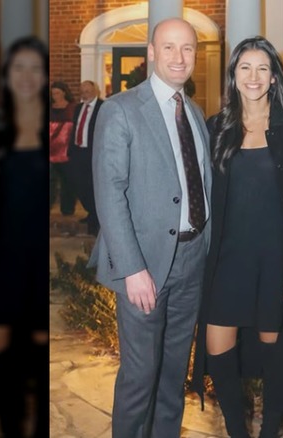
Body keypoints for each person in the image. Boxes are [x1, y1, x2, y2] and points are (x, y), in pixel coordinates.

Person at [190, 36, 283, 438]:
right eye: (245, 68)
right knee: (219, 352)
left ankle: (269, 431)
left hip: (277, 262)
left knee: (276, 357)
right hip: (226, 260)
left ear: (273, 78)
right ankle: (237, 430)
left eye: (262, 69)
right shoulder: (216, 128)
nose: (253, 77)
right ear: (233, 76)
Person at [88, 17, 211, 438]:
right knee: (141, 378)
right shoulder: (120, 110)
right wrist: (132, 269)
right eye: (170, 48)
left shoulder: (194, 113)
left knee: (174, 376)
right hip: (145, 266)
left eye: (188, 48)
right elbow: (109, 195)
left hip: (192, 261)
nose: (180, 57)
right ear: (152, 54)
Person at [0, 36, 49, 438]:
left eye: (35, 68)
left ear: (45, 75)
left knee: (39, 358)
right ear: (6, 75)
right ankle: (9, 426)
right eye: (18, 67)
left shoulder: (52, 130)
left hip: (39, 262)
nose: (26, 76)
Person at [66, 80, 103, 235]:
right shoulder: (79, 108)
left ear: (95, 91)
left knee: (92, 186)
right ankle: (91, 211)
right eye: (82, 91)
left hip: (93, 153)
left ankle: (95, 218)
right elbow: (75, 128)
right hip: (77, 152)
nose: (84, 94)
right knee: (78, 184)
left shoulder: (103, 107)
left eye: (87, 91)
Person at [49, 80, 77, 216]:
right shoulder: (47, 107)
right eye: (53, 93)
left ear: (64, 92)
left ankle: (67, 209)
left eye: (58, 93)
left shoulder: (73, 107)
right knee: (49, 182)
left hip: (68, 151)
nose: (55, 96)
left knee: (68, 182)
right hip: (50, 151)